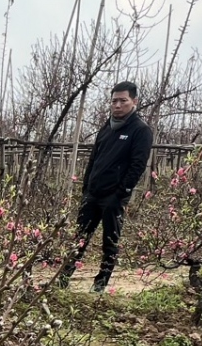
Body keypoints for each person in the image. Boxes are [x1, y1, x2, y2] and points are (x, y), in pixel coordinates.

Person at [57, 80, 153, 293]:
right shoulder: (106, 127)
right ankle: (62, 278)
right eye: (114, 101)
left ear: (134, 101)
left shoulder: (140, 130)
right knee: (79, 237)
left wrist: (122, 191)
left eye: (123, 101)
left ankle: (100, 283)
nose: (117, 105)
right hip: (93, 193)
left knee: (110, 240)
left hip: (114, 196)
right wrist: (86, 187)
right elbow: (94, 159)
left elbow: (138, 165)